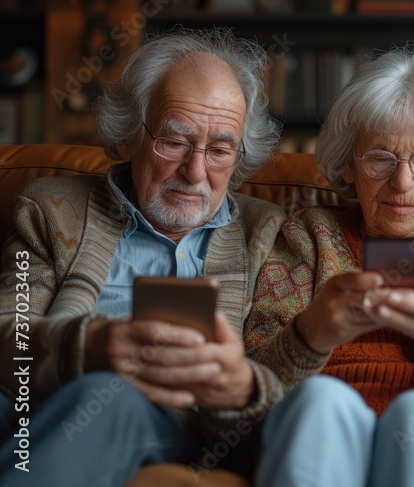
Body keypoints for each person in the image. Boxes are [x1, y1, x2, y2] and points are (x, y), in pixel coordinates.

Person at [0, 28, 286, 485]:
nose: (195, 172)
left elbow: (286, 377)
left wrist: (239, 386)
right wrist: (90, 346)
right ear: (131, 133)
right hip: (47, 399)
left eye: (219, 149)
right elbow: (8, 336)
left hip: (186, 424)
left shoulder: (268, 234)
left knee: (109, 396)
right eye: (174, 142)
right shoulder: (50, 209)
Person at [243, 46, 414, 487]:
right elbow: (252, 386)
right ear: (349, 164)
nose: (403, 184)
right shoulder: (308, 236)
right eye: (381, 158)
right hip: (326, 424)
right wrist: (312, 332)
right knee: (325, 400)